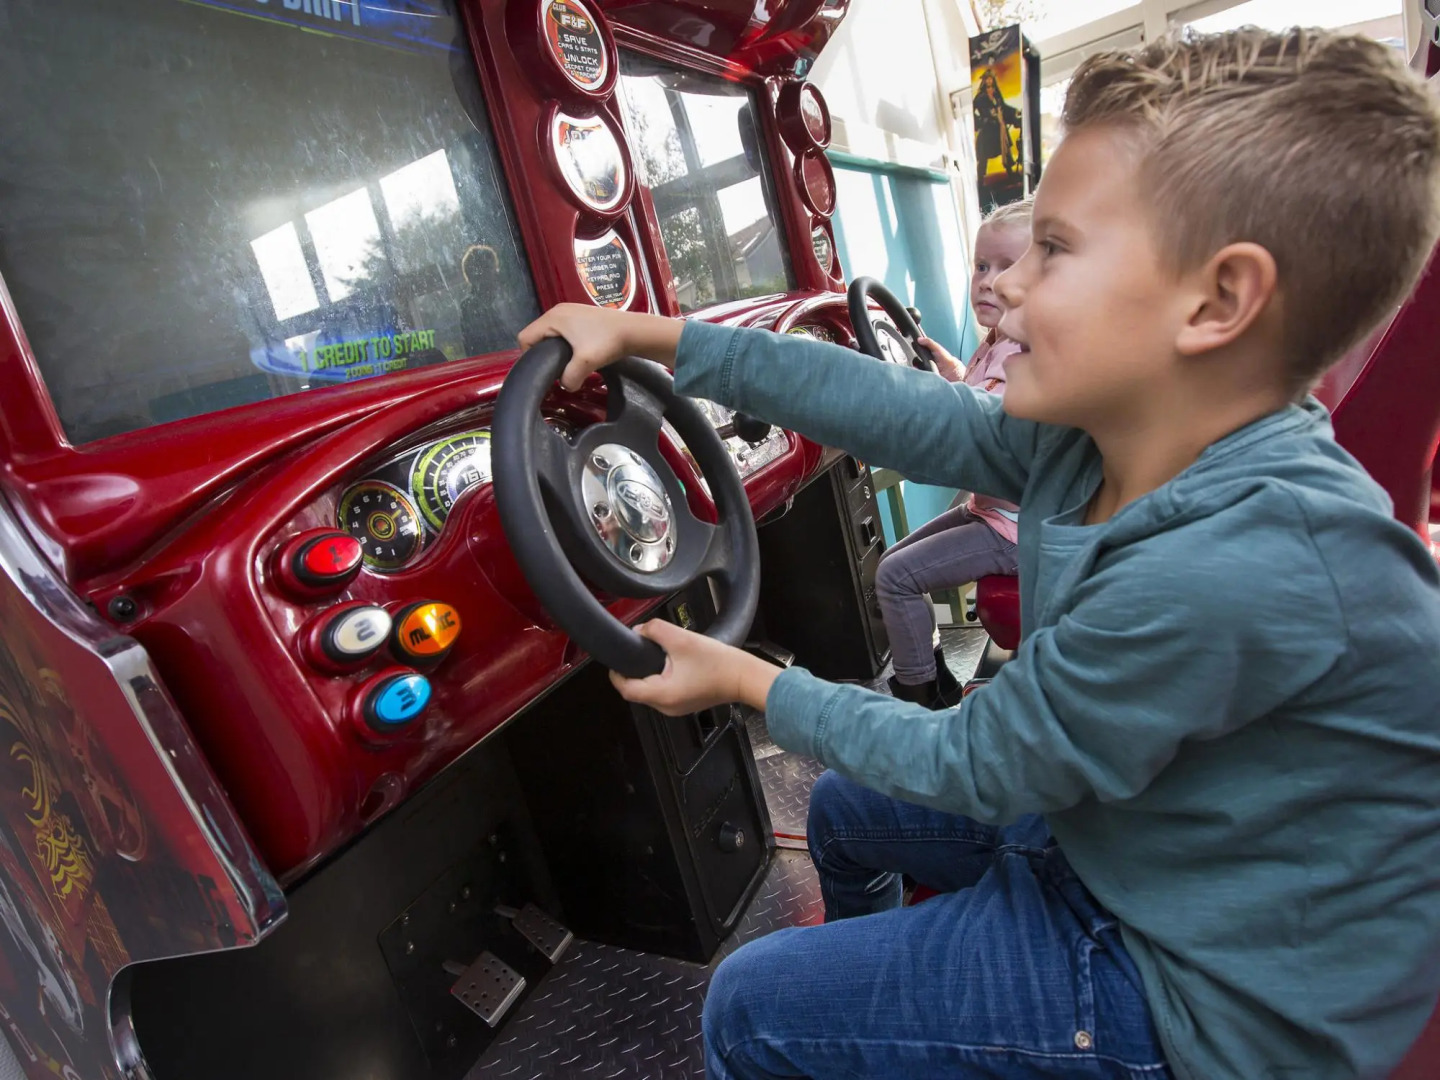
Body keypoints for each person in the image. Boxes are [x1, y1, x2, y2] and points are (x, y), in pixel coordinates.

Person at [517, 27, 1440, 1080]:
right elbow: (901, 409)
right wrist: (657, 338)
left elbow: (975, 765)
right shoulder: (1091, 438)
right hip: (1152, 846)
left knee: (748, 1007)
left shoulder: (1233, 561)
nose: (1008, 287)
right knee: (842, 812)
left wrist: (750, 682)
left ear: (1218, 301)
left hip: (1202, 988)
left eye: (1055, 250)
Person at [878, 197, 1032, 709]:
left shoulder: (1024, 354)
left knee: (896, 578)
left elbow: (980, 427)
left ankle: (921, 700)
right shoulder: (998, 342)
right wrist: (950, 370)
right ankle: (933, 671)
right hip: (991, 510)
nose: (987, 281)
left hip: (1016, 530)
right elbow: (974, 393)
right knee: (893, 562)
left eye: (1006, 267)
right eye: (981, 266)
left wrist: (919, 404)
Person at [973, 67, 1021, 183]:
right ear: (984, 81)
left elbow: (1003, 107)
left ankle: (1011, 175)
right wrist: (981, 120)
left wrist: (1014, 111)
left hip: (999, 128)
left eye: (991, 79)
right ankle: (980, 181)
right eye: (987, 79)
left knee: (1006, 152)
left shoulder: (996, 94)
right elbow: (972, 111)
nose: (989, 81)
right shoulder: (980, 97)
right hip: (988, 131)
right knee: (983, 156)